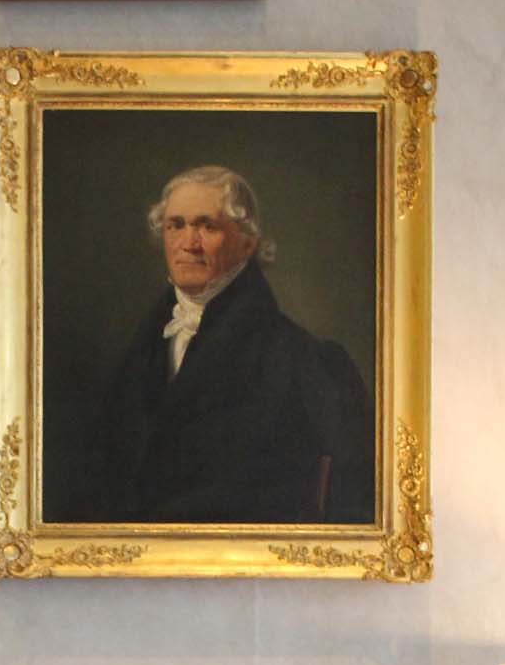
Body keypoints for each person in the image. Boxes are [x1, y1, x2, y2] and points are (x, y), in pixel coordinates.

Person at [95, 167, 375, 526]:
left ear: (247, 242)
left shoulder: (302, 359)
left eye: (207, 226)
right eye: (175, 225)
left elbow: (357, 498)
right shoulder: (140, 350)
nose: (188, 243)